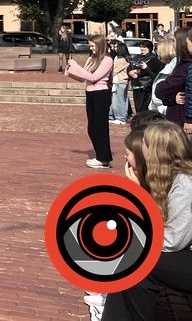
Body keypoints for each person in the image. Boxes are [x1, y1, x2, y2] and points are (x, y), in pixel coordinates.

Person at [102, 121, 192, 320]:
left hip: (183, 252)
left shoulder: (185, 184)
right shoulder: (166, 177)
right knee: (133, 258)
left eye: (145, 142)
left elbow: (172, 241)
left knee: (137, 259)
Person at [65, 34, 113, 169]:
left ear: (100, 45)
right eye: (90, 46)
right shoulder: (91, 58)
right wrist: (70, 69)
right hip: (90, 93)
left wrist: (76, 67)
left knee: (100, 126)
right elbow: (82, 77)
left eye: (93, 46)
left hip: (101, 94)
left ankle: (104, 158)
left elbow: (94, 77)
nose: (91, 48)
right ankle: (99, 155)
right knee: (91, 127)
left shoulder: (107, 60)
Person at [154, 30, 188, 127]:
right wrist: (172, 98)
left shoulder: (184, 65)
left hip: (181, 119)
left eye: (173, 41)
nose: (171, 44)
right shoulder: (180, 63)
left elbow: (162, 89)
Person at [127, 40, 163, 117]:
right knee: (137, 104)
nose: (142, 49)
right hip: (136, 85)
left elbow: (151, 70)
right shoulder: (137, 57)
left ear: (149, 48)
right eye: (141, 47)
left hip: (145, 86)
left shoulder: (153, 59)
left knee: (143, 106)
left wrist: (138, 72)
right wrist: (130, 72)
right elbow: (129, 66)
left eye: (144, 47)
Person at [110, 47, 132, 125]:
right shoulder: (116, 58)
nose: (115, 48)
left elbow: (114, 70)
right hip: (116, 82)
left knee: (120, 100)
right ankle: (113, 116)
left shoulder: (122, 60)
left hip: (120, 81)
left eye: (116, 47)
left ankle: (121, 117)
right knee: (114, 100)